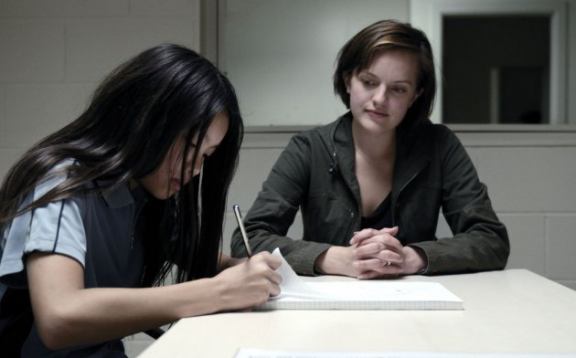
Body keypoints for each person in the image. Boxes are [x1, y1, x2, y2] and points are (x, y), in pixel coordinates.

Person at [0, 43, 282, 358]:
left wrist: (240, 269)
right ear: (145, 120)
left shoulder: (143, 194)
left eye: (207, 156)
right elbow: (60, 317)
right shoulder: (62, 184)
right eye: (191, 146)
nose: (196, 170)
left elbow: (193, 255)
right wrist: (220, 291)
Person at [230, 19, 509, 279]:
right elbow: (248, 240)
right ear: (348, 79)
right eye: (369, 82)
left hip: (415, 303)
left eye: (398, 89)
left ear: (416, 96)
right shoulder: (309, 147)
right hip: (325, 307)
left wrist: (411, 257)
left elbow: (491, 240)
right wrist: (336, 259)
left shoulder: (439, 144)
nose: (380, 99)